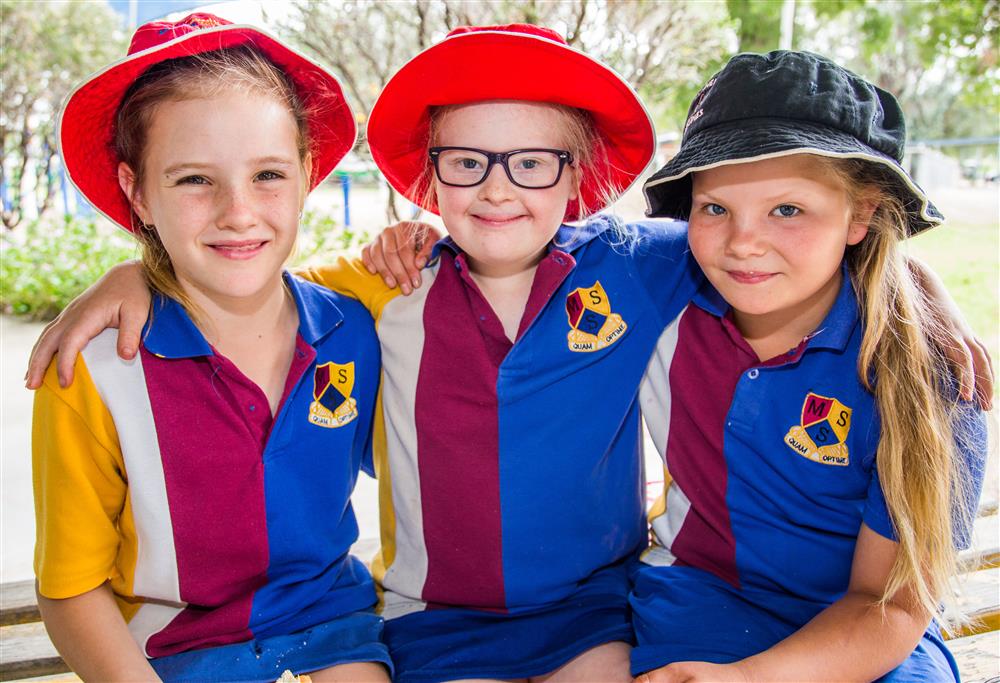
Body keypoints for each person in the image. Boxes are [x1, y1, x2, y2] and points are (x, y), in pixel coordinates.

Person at [22, 27, 991, 683]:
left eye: (532, 161)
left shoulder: (649, 268)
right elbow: (242, 274)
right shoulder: (379, 292)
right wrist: (133, 277)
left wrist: (909, 289)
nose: (497, 189)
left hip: (597, 616)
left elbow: (796, 243)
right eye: (466, 161)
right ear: (426, 174)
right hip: (433, 623)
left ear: (578, 177)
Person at [30, 14, 391, 682]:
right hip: (174, 651)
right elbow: (69, 586)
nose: (238, 211)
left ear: (309, 172)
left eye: (268, 175)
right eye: (194, 180)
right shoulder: (92, 368)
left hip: (332, 625)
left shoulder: (357, 326)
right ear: (137, 191)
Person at [627, 51, 988, 682]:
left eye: (786, 209)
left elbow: (893, 603)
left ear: (863, 215)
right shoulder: (666, 283)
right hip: (700, 596)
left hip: (866, 628)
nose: (743, 242)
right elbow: (536, 241)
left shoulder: (931, 378)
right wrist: (405, 245)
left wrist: (750, 679)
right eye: (715, 208)